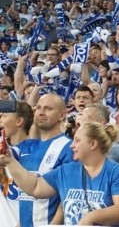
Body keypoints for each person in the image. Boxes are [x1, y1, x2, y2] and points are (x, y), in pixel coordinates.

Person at [1, 122, 119, 227]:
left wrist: (91, 217)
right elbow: (35, 188)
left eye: (77, 140)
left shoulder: (118, 173)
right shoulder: (66, 171)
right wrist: (10, 161)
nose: (72, 145)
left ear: (93, 144)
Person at [15, 93, 74, 227]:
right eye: (38, 108)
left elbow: (68, 194)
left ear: (62, 115)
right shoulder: (27, 146)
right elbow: (25, 196)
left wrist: (54, 225)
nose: (41, 113)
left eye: (47, 109)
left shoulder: (68, 147)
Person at [0, 100, 34, 226]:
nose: (0, 118)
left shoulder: (33, 152)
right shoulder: (4, 148)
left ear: (19, 121)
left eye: (4, 115)